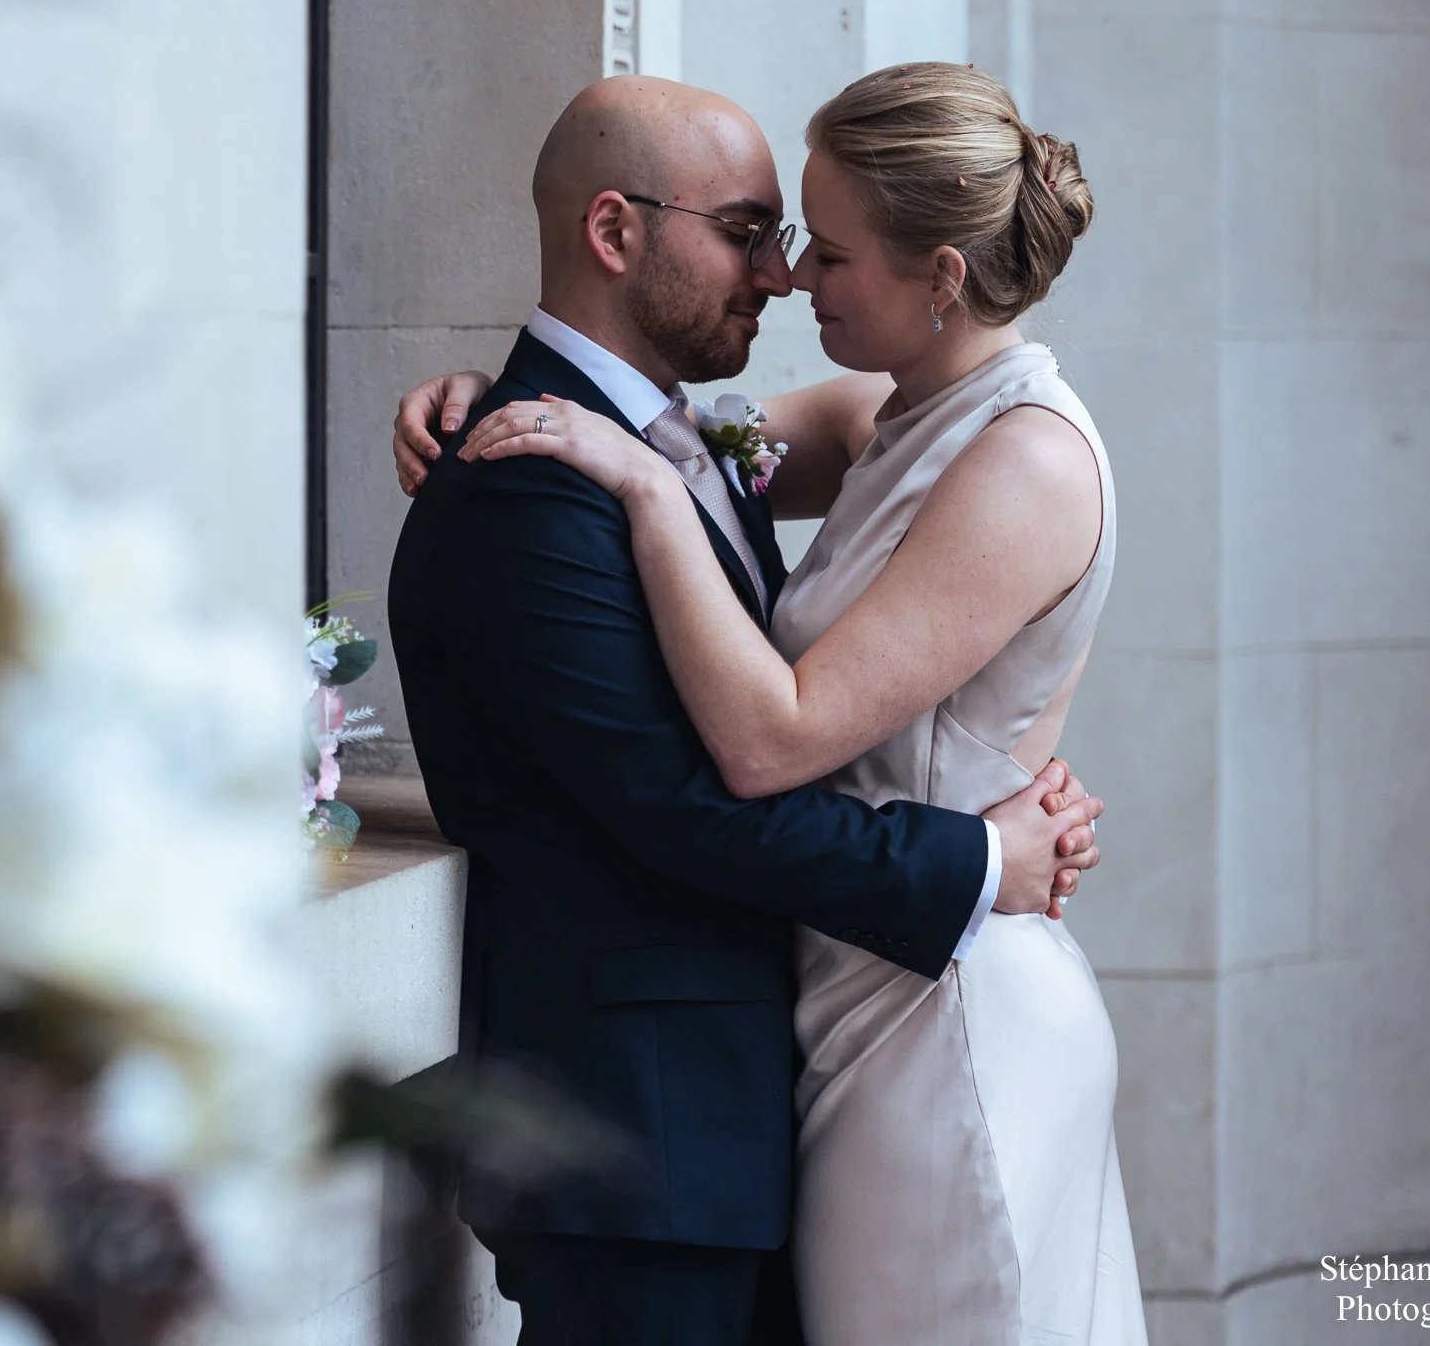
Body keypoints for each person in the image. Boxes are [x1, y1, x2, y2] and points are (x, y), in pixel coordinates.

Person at [384, 69, 1120, 1346]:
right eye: (759, 235)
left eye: (817, 249)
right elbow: (635, 435)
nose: (786, 277)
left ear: (939, 276)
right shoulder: (831, 426)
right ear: (616, 231)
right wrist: (473, 398)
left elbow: (755, 702)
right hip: (692, 1097)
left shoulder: (1002, 455)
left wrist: (984, 857)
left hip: (905, 1006)